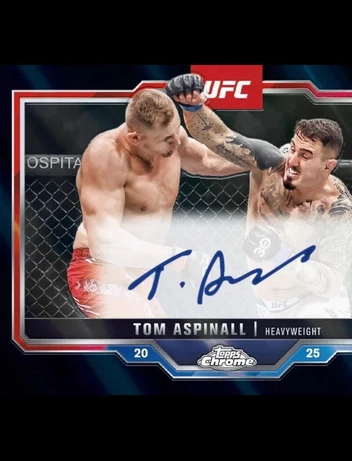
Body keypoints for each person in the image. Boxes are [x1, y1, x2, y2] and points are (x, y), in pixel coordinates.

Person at [165, 74, 352, 318]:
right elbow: (218, 137)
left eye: (305, 156)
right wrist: (192, 105)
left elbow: (330, 281)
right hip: (265, 307)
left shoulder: (339, 209)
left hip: (315, 305)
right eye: (294, 149)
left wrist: (281, 255)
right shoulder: (270, 164)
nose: (293, 161)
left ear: (328, 166)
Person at [67, 88, 247, 318]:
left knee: (163, 337)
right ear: (135, 138)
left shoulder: (173, 139)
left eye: (176, 131)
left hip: (141, 272)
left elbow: (207, 160)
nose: (177, 141)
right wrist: (181, 259)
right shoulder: (107, 155)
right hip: (100, 268)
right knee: (144, 332)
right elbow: (104, 242)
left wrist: (265, 160)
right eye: (167, 138)